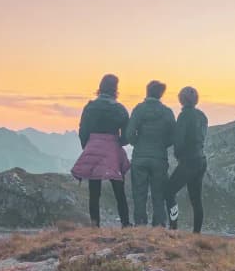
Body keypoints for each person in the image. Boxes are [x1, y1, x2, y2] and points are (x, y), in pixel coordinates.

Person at [71, 74, 131, 227]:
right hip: (112, 149)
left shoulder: (90, 107)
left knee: (94, 190)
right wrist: (119, 143)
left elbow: (82, 130)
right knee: (119, 189)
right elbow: (126, 136)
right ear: (115, 89)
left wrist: (88, 147)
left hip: (93, 145)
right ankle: (125, 224)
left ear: (100, 87)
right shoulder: (120, 109)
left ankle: (94, 225)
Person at [126, 80, 176, 227]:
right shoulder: (167, 112)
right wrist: (162, 145)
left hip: (140, 157)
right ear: (161, 94)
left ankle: (140, 224)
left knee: (139, 193)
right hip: (159, 158)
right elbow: (173, 135)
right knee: (159, 194)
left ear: (147, 91)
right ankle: (159, 225)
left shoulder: (139, 110)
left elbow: (129, 133)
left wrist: (138, 143)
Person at [165, 86, 209, 232]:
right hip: (201, 159)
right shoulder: (202, 116)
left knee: (169, 191)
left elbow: (179, 140)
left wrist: (179, 156)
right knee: (196, 199)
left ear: (181, 99)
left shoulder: (184, 116)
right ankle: (196, 233)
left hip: (188, 160)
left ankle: (173, 227)